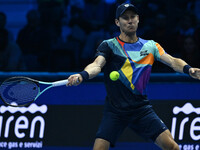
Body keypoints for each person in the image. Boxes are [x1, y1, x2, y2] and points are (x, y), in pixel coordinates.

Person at [67, 3, 200, 150]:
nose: (130, 21)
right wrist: (82, 75)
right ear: (117, 22)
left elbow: (173, 61)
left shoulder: (151, 46)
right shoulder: (109, 45)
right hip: (115, 111)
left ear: (138, 19)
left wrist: (189, 69)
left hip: (141, 109)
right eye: (125, 18)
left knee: (172, 147)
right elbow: (97, 65)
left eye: (133, 17)